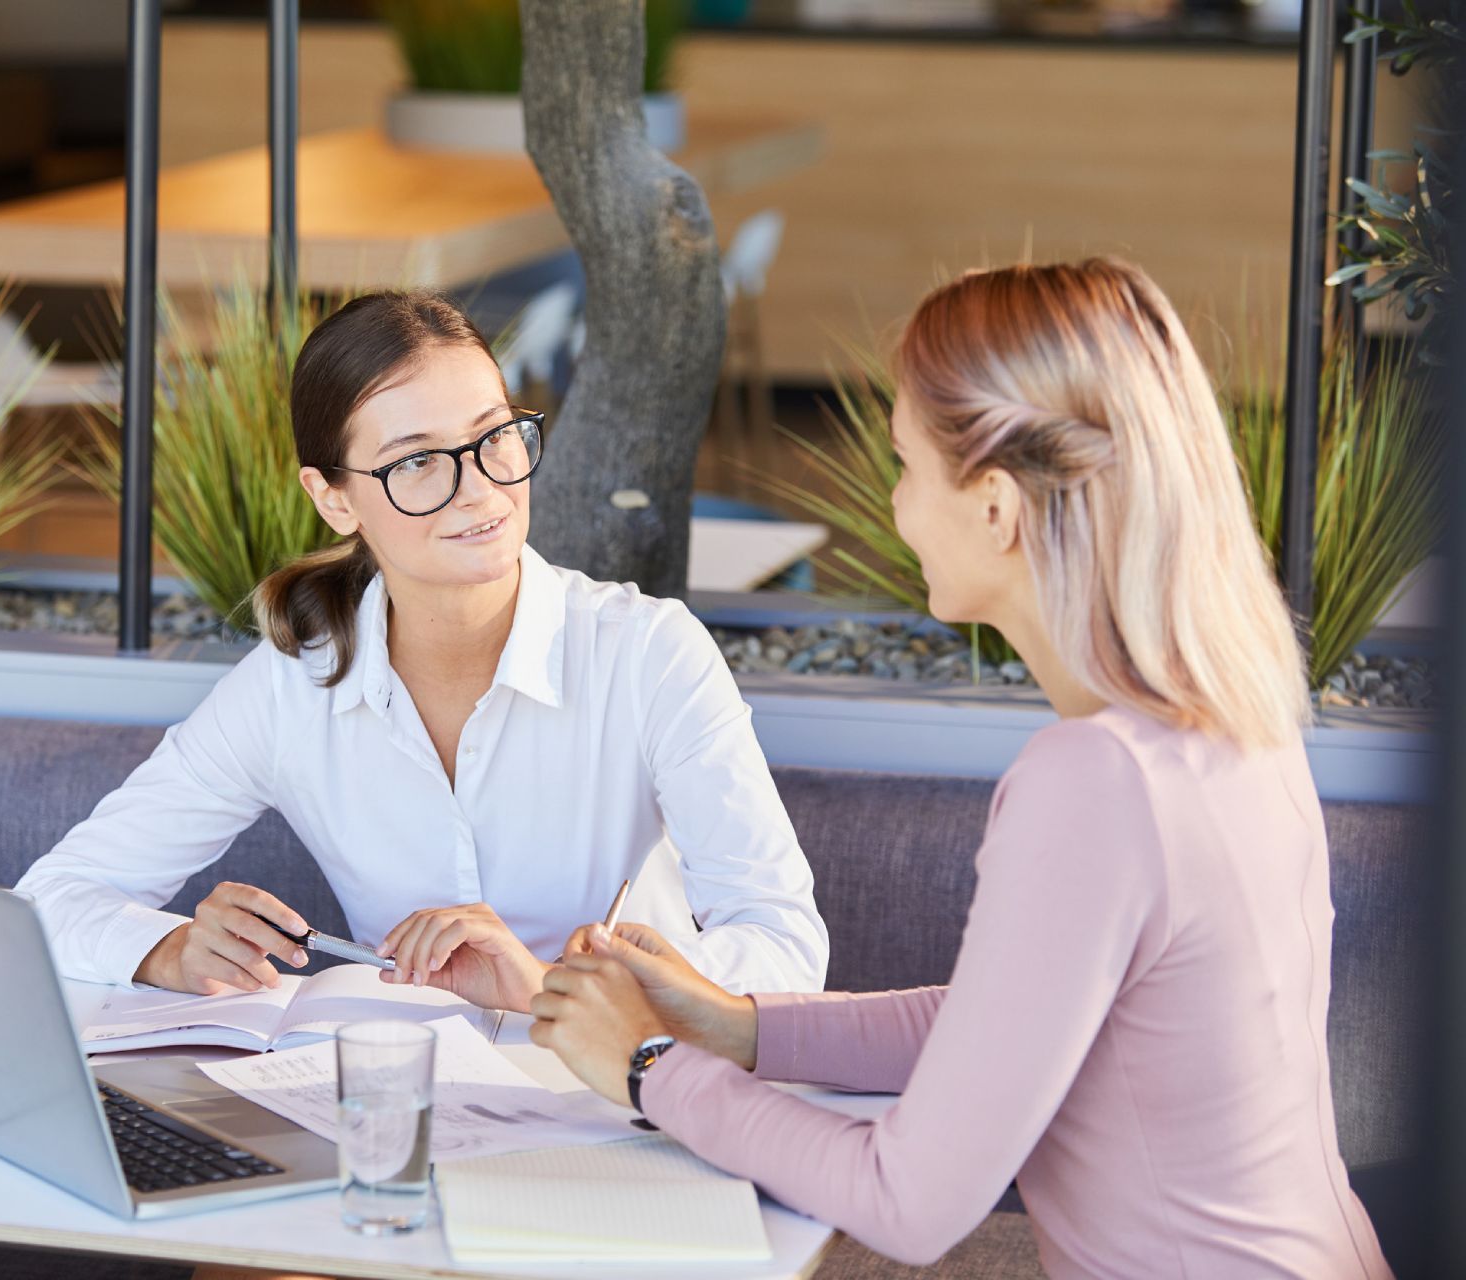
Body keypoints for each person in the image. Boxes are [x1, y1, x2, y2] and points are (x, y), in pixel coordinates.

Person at [529, 260, 1392, 1277]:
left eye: (904, 466)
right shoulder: (1234, 710)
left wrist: (647, 1066)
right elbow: (1007, 1019)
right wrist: (739, 1024)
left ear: (995, 505)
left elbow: (910, 1201)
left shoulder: (1097, 781)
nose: (893, 508)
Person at [14, 290, 829, 1013]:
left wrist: (546, 986)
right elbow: (50, 900)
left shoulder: (648, 654)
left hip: (618, 1102)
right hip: (403, 1105)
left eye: (493, 437)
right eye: (416, 462)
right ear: (333, 499)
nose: (478, 488)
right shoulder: (293, 687)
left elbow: (785, 947)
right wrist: (168, 951)